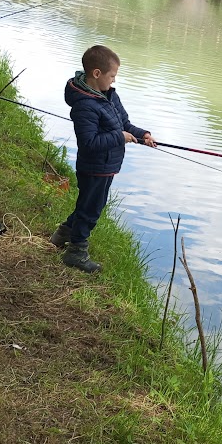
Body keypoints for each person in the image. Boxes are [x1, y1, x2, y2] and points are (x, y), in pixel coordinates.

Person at [49, 45, 156, 273]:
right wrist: (119, 137)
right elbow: (90, 142)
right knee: (91, 209)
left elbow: (124, 124)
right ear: (97, 74)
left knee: (88, 205)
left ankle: (63, 234)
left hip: (107, 165)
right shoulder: (85, 106)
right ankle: (76, 252)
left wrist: (141, 134)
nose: (114, 80)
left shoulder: (109, 95)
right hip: (94, 167)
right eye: (112, 76)